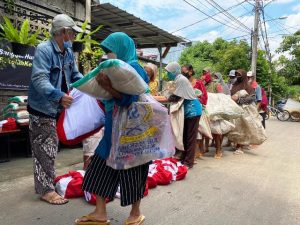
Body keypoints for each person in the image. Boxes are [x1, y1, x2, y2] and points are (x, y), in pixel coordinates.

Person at [75, 32, 149, 225]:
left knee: (132, 171)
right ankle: (100, 213)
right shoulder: (114, 68)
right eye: (107, 52)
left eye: (111, 51)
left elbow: (129, 99)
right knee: (99, 167)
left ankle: (135, 214)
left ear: (122, 48)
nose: (109, 55)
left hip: (131, 130)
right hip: (112, 129)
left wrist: (107, 87)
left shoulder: (134, 69)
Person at [27, 14, 83, 205]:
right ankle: (46, 190)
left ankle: (46, 182)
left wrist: (89, 83)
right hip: (42, 108)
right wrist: (59, 96)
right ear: (63, 32)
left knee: (49, 147)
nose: (74, 35)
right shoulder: (44, 50)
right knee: (44, 148)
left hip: (57, 108)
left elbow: (75, 75)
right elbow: (39, 79)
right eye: (72, 32)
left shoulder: (67, 52)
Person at [166, 62, 202, 168]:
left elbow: (175, 97)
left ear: (173, 71)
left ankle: (188, 162)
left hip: (193, 111)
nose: (167, 74)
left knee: (190, 137)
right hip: (187, 111)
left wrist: (157, 98)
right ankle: (184, 159)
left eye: (168, 72)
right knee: (185, 136)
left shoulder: (181, 79)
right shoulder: (178, 79)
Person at [230, 69, 256, 154]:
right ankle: (236, 144)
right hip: (234, 109)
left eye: (239, 75)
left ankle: (240, 146)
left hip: (244, 110)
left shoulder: (248, 86)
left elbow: (252, 98)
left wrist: (240, 100)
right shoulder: (234, 85)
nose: (237, 76)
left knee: (241, 129)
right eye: (236, 74)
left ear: (244, 76)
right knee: (235, 128)